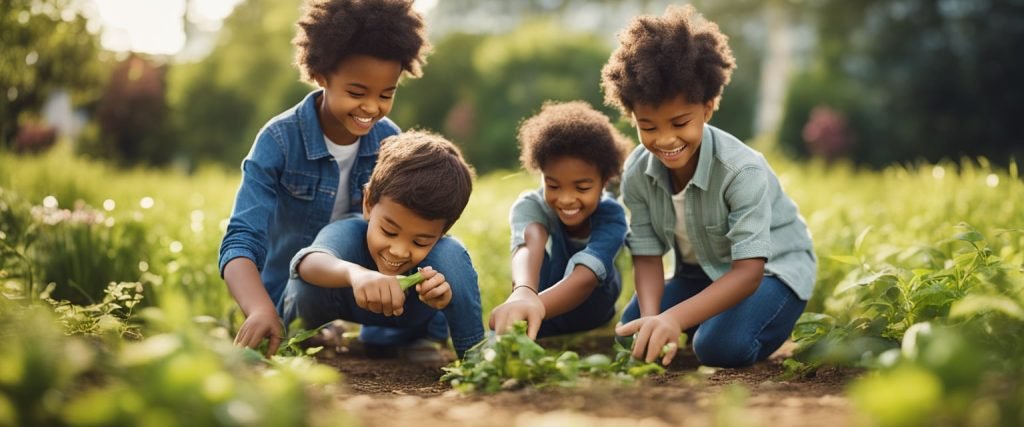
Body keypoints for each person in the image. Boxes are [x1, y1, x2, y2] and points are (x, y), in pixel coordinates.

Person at [219, 0, 459, 356]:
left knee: (447, 256)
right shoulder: (279, 141)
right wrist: (258, 307)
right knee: (297, 308)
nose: (371, 108)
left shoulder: (390, 142)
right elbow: (241, 239)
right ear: (321, 75)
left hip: (372, 285)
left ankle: (397, 335)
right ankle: (305, 326)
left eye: (386, 94)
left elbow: (418, 224)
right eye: (356, 93)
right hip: (296, 294)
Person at [602, 5, 817, 367]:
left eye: (679, 122)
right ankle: (703, 318)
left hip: (770, 274)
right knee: (630, 336)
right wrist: (652, 319)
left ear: (708, 107)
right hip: (698, 273)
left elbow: (747, 273)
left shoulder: (741, 169)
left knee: (718, 346)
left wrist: (674, 318)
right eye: (649, 127)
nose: (666, 140)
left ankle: (742, 323)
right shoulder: (637, 172)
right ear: (632, 117)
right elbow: (648, 255)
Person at [278, 131, 482, 360]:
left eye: (420, 241)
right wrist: (356, 275)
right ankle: (299, 338)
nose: (399, 250)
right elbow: (308, 262)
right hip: (344, 303)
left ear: (441, 232)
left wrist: (442, 301)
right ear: (368, 203)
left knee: (451, 257)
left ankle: (469, 355)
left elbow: (451, 273)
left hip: (408, 319)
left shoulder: (440, 254)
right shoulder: (350, 232)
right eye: (389, 231)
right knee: (307, 284)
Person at [489, 101, 633, 340]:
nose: (566, 199)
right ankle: (529, 314)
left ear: (605, 181)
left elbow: (586, 276)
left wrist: (532, 307)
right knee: (535, 245)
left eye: (583, 187)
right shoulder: (532, 205)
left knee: (592, 270)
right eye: (553, 185)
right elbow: (529, 242)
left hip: (592, 309)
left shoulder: (612, 216)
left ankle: (530, 313)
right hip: (544, 304)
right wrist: (523, 292)